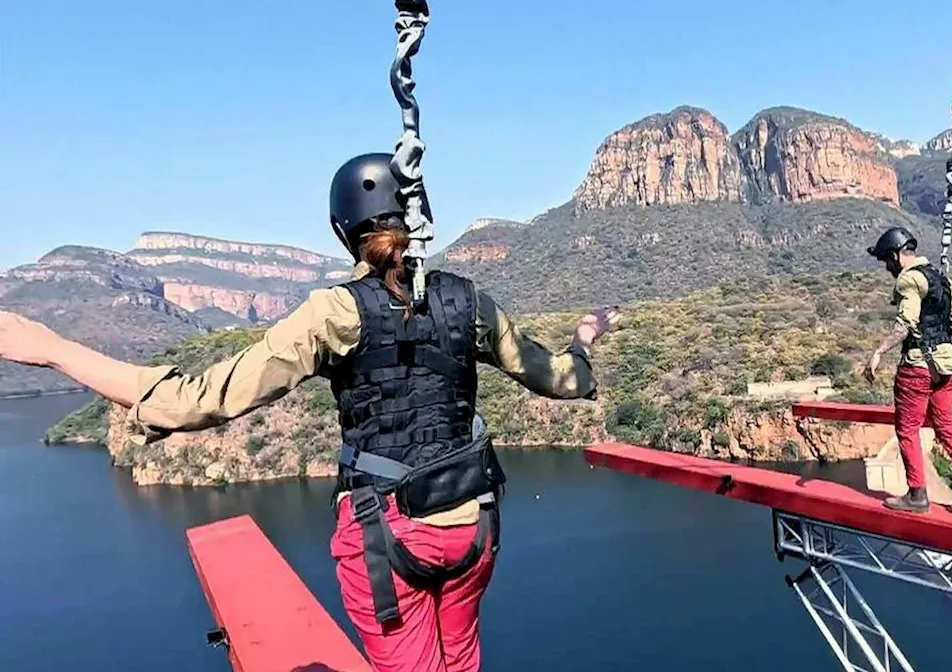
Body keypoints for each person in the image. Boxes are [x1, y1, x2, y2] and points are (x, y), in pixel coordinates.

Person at [0, 152, 619, 672]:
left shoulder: (335, 313)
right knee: (460, 655)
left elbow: (200, 400)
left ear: (342, 227)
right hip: (472, 526)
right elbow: (561, 379)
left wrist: (53, 350)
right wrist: (585, 339)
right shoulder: (469, 301)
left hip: (387, 533)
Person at [860, 227, 952, 517]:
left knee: (907, 430)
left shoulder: (909, 280)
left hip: (917, 367)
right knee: (947, 427)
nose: (887, 267)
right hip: (946, 365)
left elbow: (904, 324)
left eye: (886, 261)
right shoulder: (943, 279)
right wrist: (937, 342)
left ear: (895, 255)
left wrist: (878, 353)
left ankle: (917, 495)